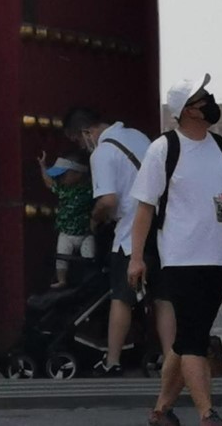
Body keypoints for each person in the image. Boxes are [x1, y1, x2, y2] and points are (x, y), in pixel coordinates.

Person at [128, 74, 222, 426]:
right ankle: (207, 413)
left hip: (216, 259)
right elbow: (144, 208)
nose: (211, 100)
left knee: (191, 336)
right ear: (188, 110)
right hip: (178, 258)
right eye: (203, 97)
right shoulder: (164, 149)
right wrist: (136, 257)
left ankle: (161, 410)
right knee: (193, 340)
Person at [62, 107, 175, 377]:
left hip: (131, 233)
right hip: (162, 230)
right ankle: (173, 361)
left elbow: (109, 200)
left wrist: (94, 218)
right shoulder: (137, 136)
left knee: (121, 297)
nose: (83, 147)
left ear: (86, 132)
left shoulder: (102, 153)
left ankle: (112, 361)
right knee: (162, 297)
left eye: (78, 141)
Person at [37, 151, 94, 288]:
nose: (60, 179)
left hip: (86, 233)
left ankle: (90, 281)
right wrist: (43, 166)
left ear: (78, 174)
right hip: (66, 233)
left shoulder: (90, 190)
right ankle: (61, 280)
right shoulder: (63, 189)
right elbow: (49, 182)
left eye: (64, 175)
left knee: (90, 258)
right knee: (62, 256)